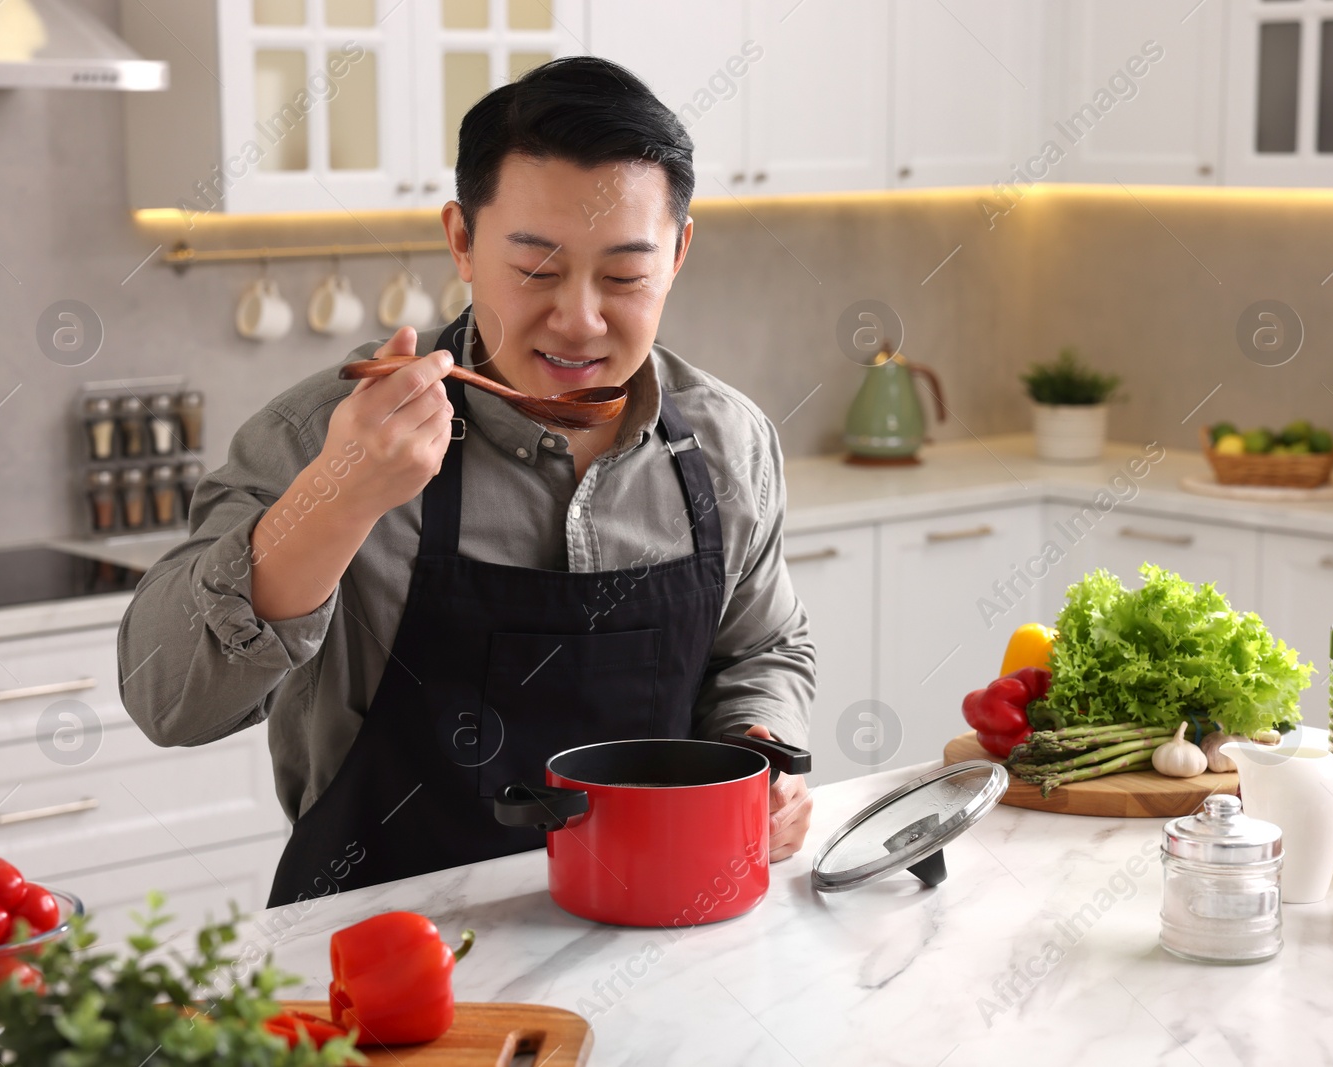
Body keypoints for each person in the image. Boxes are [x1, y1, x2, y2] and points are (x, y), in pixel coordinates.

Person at [118, 56, 816, 907]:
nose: (581, 319)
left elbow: (762, 649)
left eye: (626, 276)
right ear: (461, 241)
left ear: (678, 253)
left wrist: (757, 757)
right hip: (380, 962)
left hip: (659, 930)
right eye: (536, 269)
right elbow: (167, 701)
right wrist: (336, 499)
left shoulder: (727, 442)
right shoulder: (320, 437)